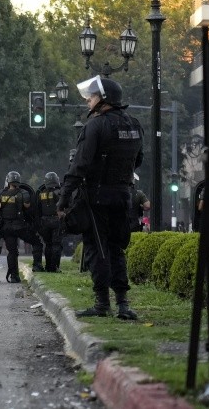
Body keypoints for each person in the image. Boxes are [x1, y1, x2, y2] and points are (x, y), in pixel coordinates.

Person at [58, 75, 144, 321]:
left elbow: (79, 166)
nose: (87, 101)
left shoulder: (95, 126)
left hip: (96, 198)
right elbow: (138, 160)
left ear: (103, 99)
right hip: (123, 196)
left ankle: (102, 303)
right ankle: (124, 304)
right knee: (117, 248)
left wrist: (64, 198)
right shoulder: (135, 124)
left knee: (98, 249)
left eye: (91, 97)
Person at [0, 171, 42, 282]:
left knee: (12, 252)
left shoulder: (1, 194)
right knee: (37, 242)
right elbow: (28, 206)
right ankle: (37, 265)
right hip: (20, 226)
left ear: (8, 181)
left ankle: (14, 276)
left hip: (6, 228)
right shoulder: (23, 193)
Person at [37, 172, 63, 272]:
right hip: (56, 221)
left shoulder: (41, 193)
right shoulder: (59, 192)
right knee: (56, 244)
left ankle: (48, 266)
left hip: (44, 221)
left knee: (48, 244)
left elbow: (38, 209)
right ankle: (54, 267)